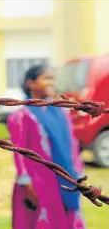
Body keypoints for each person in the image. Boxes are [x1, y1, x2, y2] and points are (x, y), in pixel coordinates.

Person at [7, 65, 86, 229]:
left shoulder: (61, 112)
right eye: (46, 78)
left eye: (52, 79)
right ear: (31, 83)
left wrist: (79, 173)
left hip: (66, 178)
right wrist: (26, 182)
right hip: (38, 183)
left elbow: (72, 144)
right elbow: (19, 152)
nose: (51, 83)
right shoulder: (22, 116)